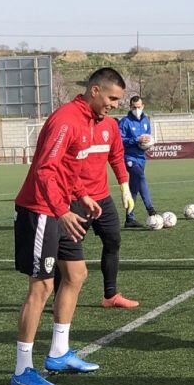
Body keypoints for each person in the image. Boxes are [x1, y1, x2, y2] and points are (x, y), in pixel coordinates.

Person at [9, 67, 126, 385]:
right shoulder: (66, 119)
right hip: (40, 211)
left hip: (63, 207)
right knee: (41, 289)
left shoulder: (90, 121)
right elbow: (45, 169)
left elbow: (66, 169)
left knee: (75, 275)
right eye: (112, 98)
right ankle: (22, 368)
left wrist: (81, 196)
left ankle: (59, 352)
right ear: (94, 91)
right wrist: (62, 209)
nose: (115, 105)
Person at [62, 106, 140, 309]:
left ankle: (110, 296)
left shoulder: (111, 125)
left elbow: (116, 156)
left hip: (103, 198)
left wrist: (124, 186)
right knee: (67, 253)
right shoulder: (75, 125)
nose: (111, 106)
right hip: (75, 199)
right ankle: (58, 299)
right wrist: (79, 195)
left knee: (113, 241)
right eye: (110, 100)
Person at [119, 96, 158, 227]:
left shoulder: (146, 121)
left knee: (134, 187)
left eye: (139, 106)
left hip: (141, 157)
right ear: (130, 107)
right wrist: (136, 140)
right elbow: (119, 140)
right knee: (141, 177)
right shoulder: (125, 122)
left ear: (143, 106)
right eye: (134, 107)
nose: (137, 109)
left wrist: (148, 143)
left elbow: (148, 138)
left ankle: (129, 219)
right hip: (129, 157)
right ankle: (151, 209)